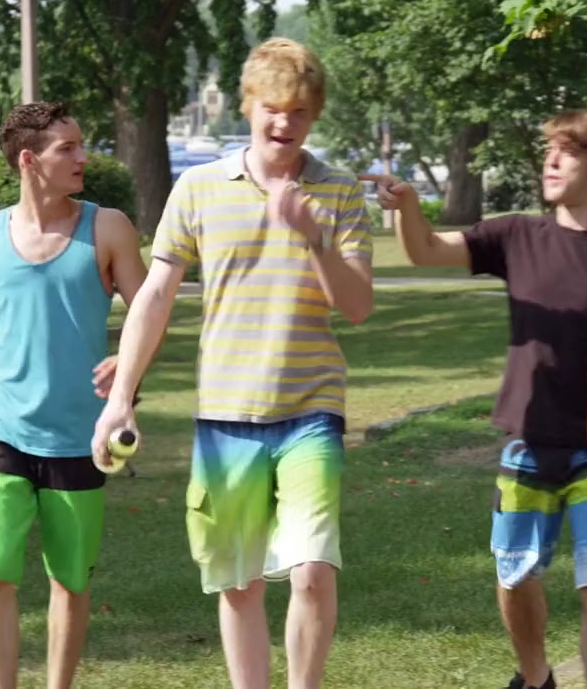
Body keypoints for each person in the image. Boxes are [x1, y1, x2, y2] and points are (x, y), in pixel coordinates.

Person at [364, 109, 587, 689]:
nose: (551, 161)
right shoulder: (516, 236)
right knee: (514, 573)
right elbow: (427, 251)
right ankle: (536, 677)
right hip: (529, 439)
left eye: (568, 152)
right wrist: (408, 207)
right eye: (549, 152)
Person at [90, 37, 374, 689]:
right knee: (240, 583)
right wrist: (121, 398)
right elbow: (155, 296)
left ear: (314, 115)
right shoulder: (199, 188)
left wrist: (314, 236)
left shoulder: (338, 192)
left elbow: (358, 306)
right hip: (225, 412)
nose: (284, 123)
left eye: (299, 112)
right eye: (273, 108)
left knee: (313, 570)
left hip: (311, 409)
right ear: (248, 105)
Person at [0, 101, 148, 689]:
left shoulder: (107, 228)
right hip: (1, 425)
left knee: (70, 579)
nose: (83, 157)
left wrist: (127, 372)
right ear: (29, 160)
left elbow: (149, 313)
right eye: (68, 148)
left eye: (82, 145)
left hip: (79, 432)